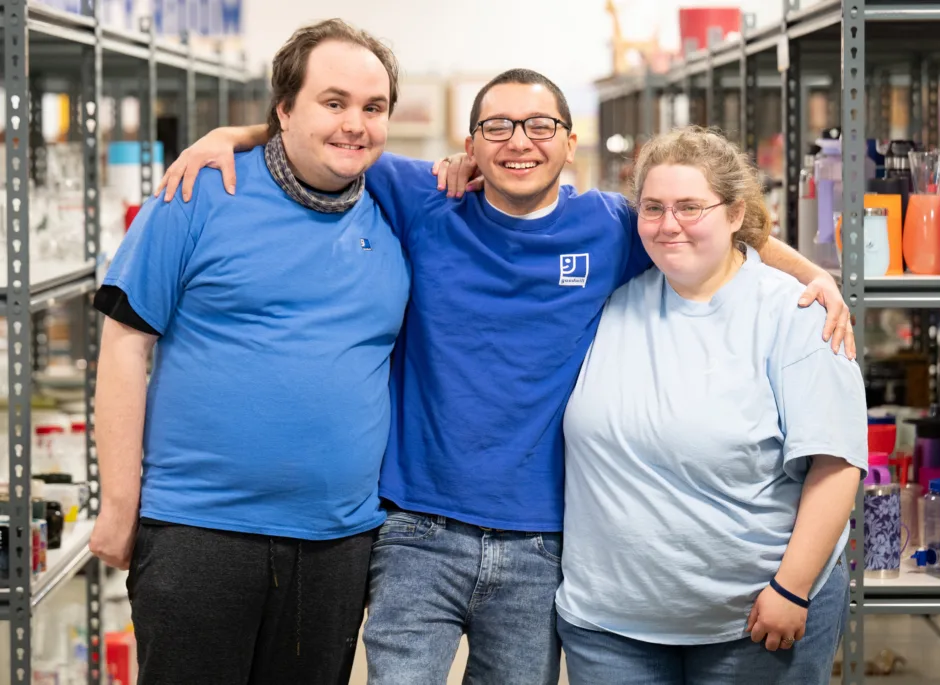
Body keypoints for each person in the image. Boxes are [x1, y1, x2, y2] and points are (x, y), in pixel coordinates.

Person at [156, 69, 854, 685]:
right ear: (471, 145)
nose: (519, 140)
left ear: (569, 141)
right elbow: (336, 139)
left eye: (539, 124)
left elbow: (710, 223)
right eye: (498, 125)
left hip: (541, 543)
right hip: (417, 531)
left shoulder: (613, 227)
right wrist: (232, 133)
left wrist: (812, 274)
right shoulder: (426, 197)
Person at [89, 19, 409, 685]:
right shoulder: (199, 191)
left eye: (372, 107)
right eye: (333, 101)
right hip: (197, 533)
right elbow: (123, 345)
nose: (355, 123)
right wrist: (119, 506)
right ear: (284, 109)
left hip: (337, 542)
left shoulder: (397, 207)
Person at [555, 126, 867, 684]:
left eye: (691, 207)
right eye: (653, 208)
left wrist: (791, 587)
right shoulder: (610, 301)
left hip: (754, 622)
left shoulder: (794, 313)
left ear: (733, 213)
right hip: (609, 626)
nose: (668, 223)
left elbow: (837, 462)